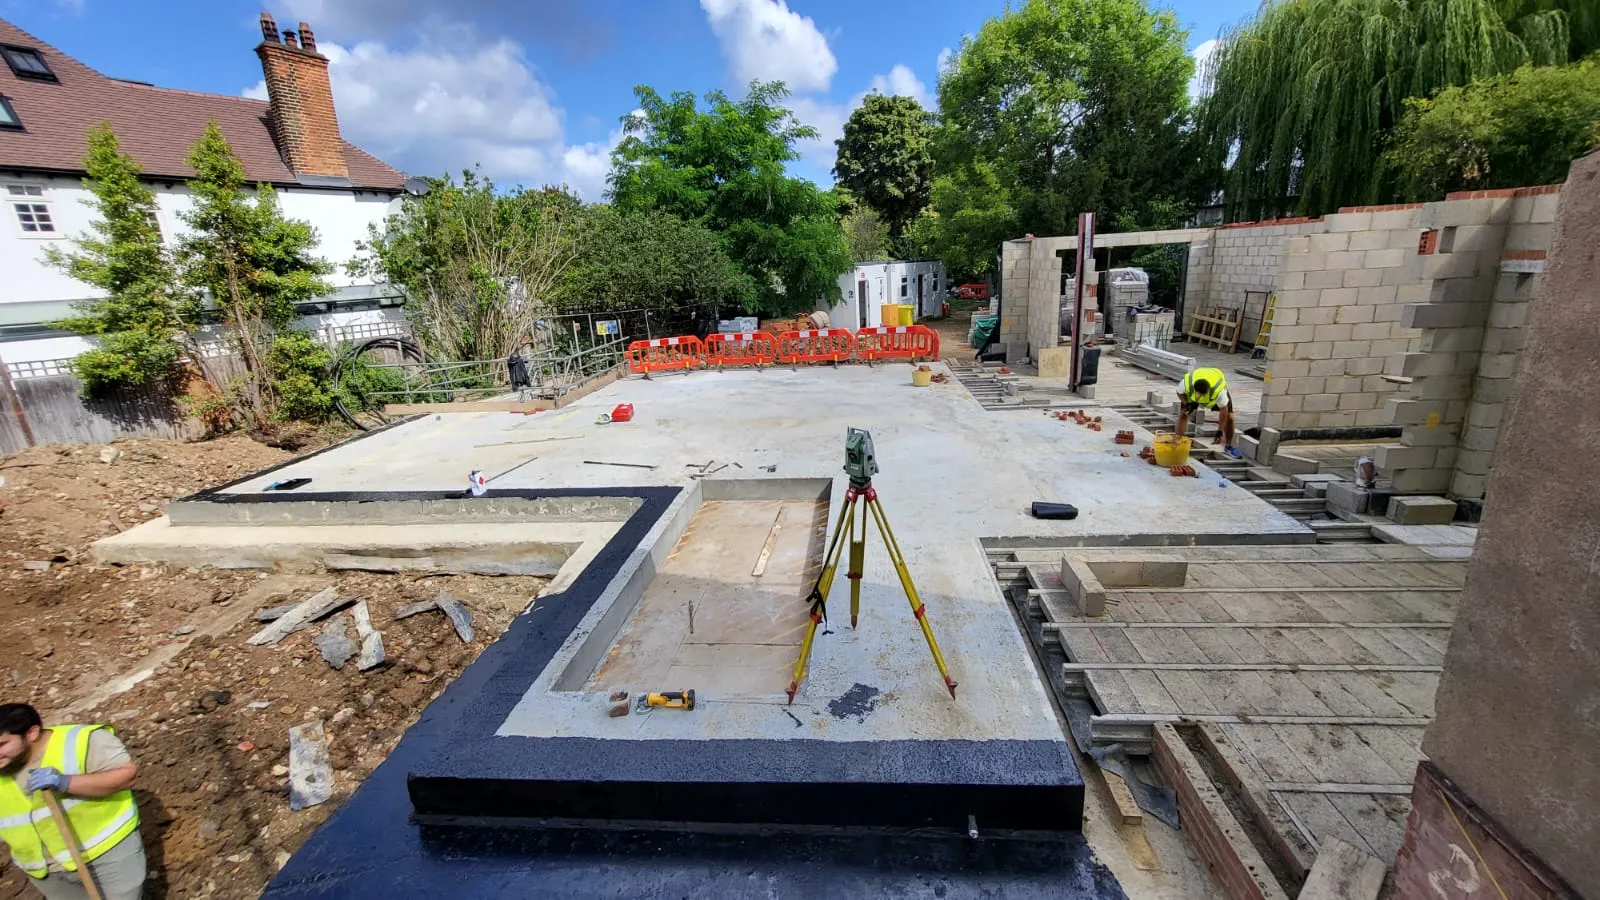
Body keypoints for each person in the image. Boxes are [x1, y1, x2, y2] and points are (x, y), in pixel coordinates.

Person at [0, 704, 144, 900]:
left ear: (32, 733)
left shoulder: (80, 741)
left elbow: (125, 776)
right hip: (46, 871)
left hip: (106, 854)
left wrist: (66, 782)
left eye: (2, 745)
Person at [1176, 367, 1242, 459]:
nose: (1202, 396)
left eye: (1204, 394)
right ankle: (1178, 442)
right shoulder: (1185, 385)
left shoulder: (1219, 392)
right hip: (1193, 395)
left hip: (1215, 389)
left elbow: (1224, 411)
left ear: (1208, 389)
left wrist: (1219, 431)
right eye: (1200, 394)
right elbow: (1179, 393)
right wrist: (1186, 403)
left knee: (1230, 418)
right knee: (1183, 414)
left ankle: (1228, 447)